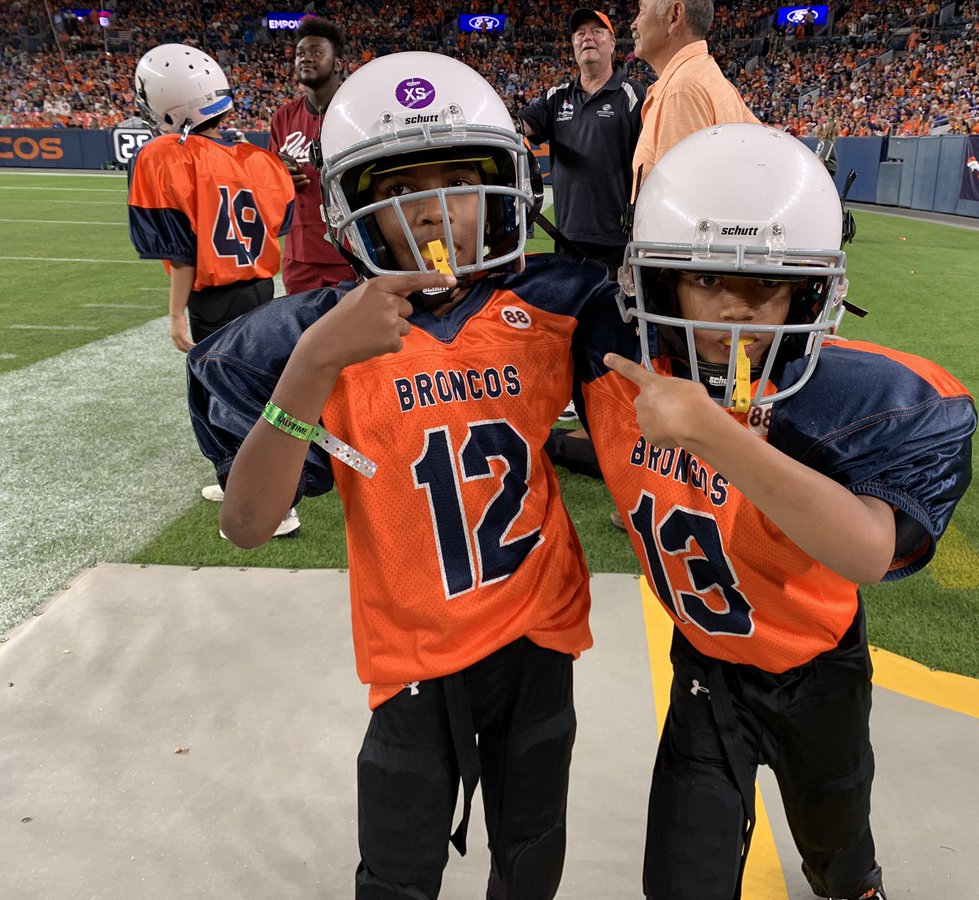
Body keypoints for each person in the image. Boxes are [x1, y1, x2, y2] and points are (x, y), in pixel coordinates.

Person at [186, 52, 615, 899]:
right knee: (395, 875)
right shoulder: (317, 334)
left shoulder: (559, 303)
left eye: (459, 181)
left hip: (537, 638)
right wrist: (312, 363)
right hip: (412, 656)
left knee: (530, 857)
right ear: (354, 208)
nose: (435, 212)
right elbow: (245, 522)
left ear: (501, 185)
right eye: (402, 188)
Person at [577, 124, 977, 900]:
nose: (735, 310)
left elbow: (869, 553)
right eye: (705, 279)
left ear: (811, 290)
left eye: (766, 286)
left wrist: (709, 432)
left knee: (839, 858)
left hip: (818, 668)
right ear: (656, 284)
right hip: (706, 670)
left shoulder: (858, 403)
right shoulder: (605, 348)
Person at [127, 43, 299, 532]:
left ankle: (274, 507)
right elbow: (274, 225)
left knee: (227, 399)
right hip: (261, 290)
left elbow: (182, 254)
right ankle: (243, 485)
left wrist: (176, 312)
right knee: (257, 387)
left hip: (214, 297)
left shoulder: (164, 156)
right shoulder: (262, 161)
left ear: (169, 104)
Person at [518, 8, 646, 279]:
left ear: (612, 44)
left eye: (597, 32)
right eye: (580, 34)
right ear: (574, 45)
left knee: (615, 319)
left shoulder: (634, 96)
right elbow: (520, 126)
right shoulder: (556, 96)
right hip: (567, 239)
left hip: (618, 242)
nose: (587, 38)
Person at [269, 16, 358, 293]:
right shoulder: (284, 117)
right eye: (300, 53)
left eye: (317, 52)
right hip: (299, 257)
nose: (306, 58)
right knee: (303, 335)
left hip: (350, 253)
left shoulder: (356, 112)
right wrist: (279, 176)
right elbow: (269, 180)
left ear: (338, 64)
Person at [629, 0, 759, 188]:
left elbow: (680, 203)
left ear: (674, 16)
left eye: (642, 11)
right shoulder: (707, 76)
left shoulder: (682, 91)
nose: (634, 24)